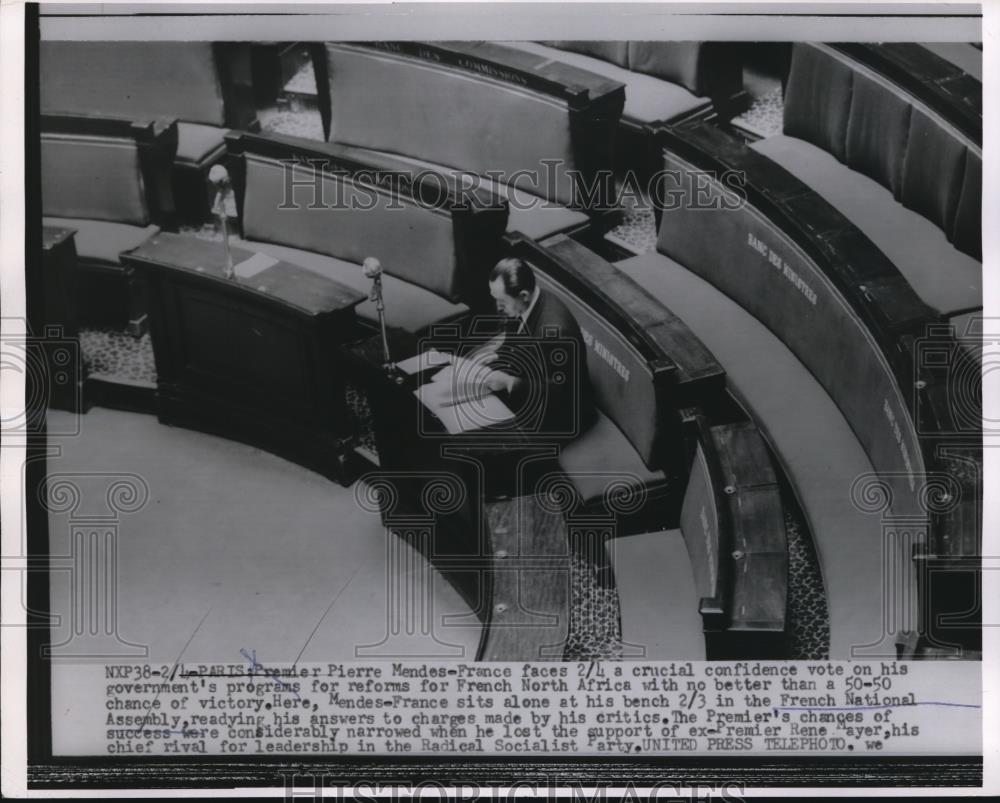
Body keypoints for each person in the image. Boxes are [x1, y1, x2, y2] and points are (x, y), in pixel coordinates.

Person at [470, 257, 596, 440]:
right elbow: (514, 340)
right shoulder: (523, 305)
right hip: (533, 389)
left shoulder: (556, 332)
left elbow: (558, 394)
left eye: (502, 301)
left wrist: (509, 382)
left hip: (564, 415)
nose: (498, 307)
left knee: (488, 439)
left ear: (523, 296)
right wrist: (495, 356)